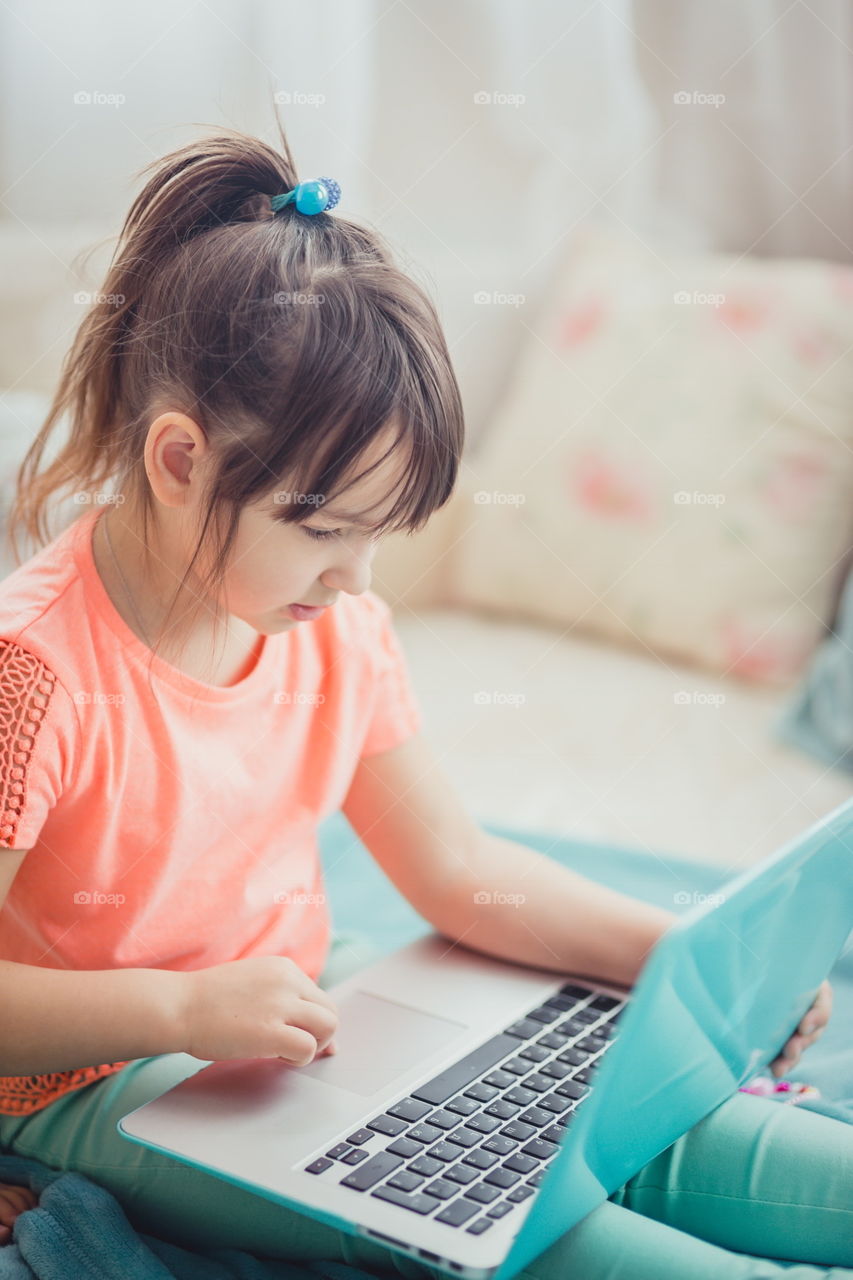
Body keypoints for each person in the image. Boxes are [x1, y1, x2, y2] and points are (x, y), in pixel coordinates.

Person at [0, 116, 846, 1278]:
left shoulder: (329, 623)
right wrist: (182, 1011)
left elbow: (453, 870)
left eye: (382, 538)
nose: (358, 581)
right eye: (326, 533)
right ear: (180, 461)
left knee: (680, 1122)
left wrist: (681, 961)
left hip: (289, 1014)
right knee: (553, 1229)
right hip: (95, 1079)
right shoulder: (32, 671)